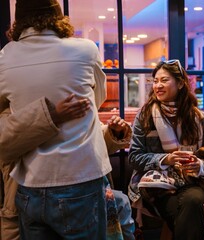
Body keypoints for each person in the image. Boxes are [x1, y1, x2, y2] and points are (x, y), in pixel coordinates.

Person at [0, 0, 111, 238]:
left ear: (18, 21)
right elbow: (97, 99)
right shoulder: (86, 49)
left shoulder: (4, 58)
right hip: (80, 178)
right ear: (58, 16)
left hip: (29, 183)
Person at [0, 96, 135, 240]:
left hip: (81, 191)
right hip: (27, 200)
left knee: (121, 203)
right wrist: (53, 115)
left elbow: (91, 143)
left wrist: (114, 131)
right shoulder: (11, 110)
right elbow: (5, 145)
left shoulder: (71, 99)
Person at [128, 60, 204, 240]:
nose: (158, 85)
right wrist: (166, 159)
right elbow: (134, 157)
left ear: (180, 84)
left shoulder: (198, 117)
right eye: (155, 81)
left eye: (164, 80)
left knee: (192, 201)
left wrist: (200, 166)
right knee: (190, 208)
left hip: (191, 182)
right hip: (155, 185)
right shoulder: (145, 115)